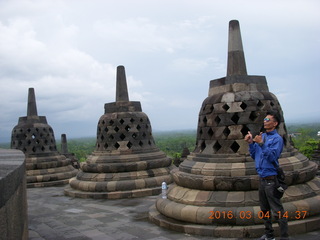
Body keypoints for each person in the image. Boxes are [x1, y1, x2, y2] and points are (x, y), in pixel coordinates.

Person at [244, 111, 289, 240]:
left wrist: (262, 144)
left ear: (275, 123)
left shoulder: (277, 139)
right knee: (264, 210)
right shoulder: (261, 136)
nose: (265, 121)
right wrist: (252, 143)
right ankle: (269, 235)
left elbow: (272, 157)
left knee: (278, 211)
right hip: (262, 179)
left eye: (268, 119)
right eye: (264, 119)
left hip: (271, 180)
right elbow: (255, 155)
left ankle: (285, 237)